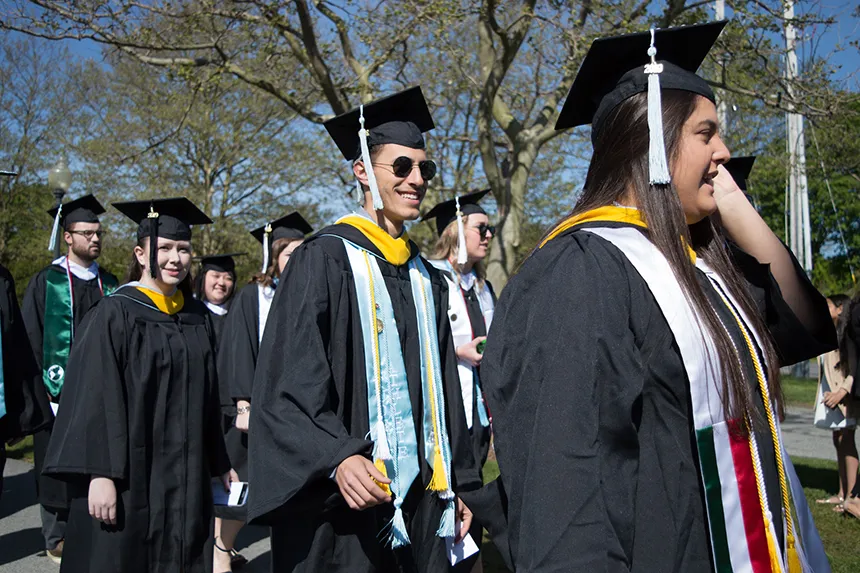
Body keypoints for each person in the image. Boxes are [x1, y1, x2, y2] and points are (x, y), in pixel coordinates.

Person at [482, 22, 836, 572]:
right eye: (706, 133)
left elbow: (804, 322)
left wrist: (735, 207)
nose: (723, 150)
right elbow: (569, 495)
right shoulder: (583, 271)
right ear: (651, 135)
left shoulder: (695, 268)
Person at [247, 87, 481, 572]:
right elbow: (287, 382)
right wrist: (336, 456)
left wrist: (460, 481)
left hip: (424, 499)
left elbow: (444, 392)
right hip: (345, 499)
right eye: (401, 167)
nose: (416, 180)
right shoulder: (324, 259)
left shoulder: (423, 276)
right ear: (361, 171)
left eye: (424, 169)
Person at [41, 197, 235, 573]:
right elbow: (94, 397)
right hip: (130, 476)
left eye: (183, 249)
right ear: (140, 253)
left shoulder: (195, 317)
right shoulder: (116, 313)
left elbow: (208, 398)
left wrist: (220, 462)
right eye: (164, 248)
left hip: (185, 479)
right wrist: (100, 475)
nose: (175, 258)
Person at [211, 212, 313, 573]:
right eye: (289, 254)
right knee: (243, 486)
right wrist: (242, 403)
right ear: (274, 258)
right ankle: (221, 549)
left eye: (303, 253)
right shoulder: (255, 296)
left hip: (296, 410)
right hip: (256, 408)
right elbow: (238, 350)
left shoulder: (311, 295)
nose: (298, 261)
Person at [21, 193, 119, 564]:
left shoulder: (110, 285)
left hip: (99, 395)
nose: (95, 238)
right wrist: (38, 393)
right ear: (67, 236)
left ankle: (88, 526)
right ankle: (55, 533)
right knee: (54, 465)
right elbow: (30, 338)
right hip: (54, 393)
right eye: (87, 232)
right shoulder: (46, 282)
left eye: (99, 232)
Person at [423, 189, 496, 572]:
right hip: (443, 411)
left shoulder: (483, 288)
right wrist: (457, 352)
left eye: (491, 229)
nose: (488, 235)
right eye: (481, 228)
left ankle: (469, 559)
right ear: (455, 230)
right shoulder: (428, 278)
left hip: (478, 413)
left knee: (474, 493)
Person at [813, 294, 857, 510]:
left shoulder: (848, 335)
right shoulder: (829, 332)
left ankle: (851, 497)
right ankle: (841, 494)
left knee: (847, 441)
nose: (824, 308)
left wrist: (843, 391)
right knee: (838, 440)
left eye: (828, 305)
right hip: (832, 394)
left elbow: (855, 369)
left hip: (844, 396)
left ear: (840, 309)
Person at [194, 253, 242, 339]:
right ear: (203, 278)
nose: (221, 283)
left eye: (228, 278)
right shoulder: (192, 315)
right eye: (216, 276)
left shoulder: (239, 317)